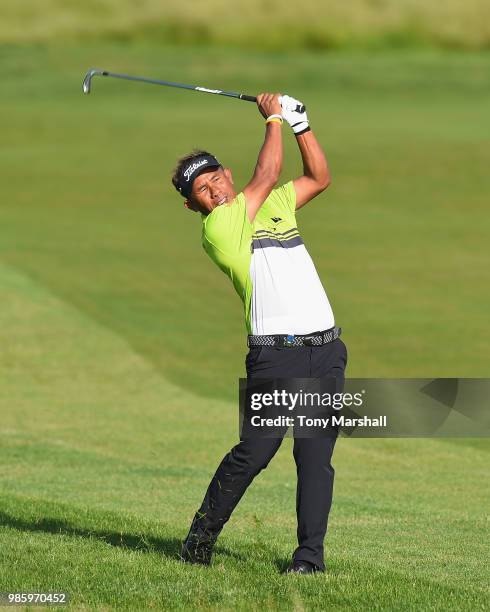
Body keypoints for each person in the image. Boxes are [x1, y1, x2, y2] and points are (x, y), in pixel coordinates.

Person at [172, 93, 347, 574]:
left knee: (315, 461)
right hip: (276, 359)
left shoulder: (273, 204)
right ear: (194, 206)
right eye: (203, 192)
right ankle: (198, 541)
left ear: (228, 173)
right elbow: (267, 174)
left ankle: (309, 560)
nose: (216, 193)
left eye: (216, 180)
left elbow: (318, 179)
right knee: (254, 454)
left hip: (326, 349)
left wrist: (301, 124)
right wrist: (273, 116)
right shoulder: (219, 229)